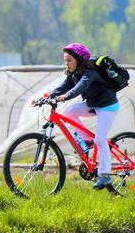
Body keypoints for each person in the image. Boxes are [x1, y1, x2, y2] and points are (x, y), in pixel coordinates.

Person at [45, 42, 119, 189]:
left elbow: (80, 87)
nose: (66, 64)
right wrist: (47, 96)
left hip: (107, 107)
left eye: (69, 60)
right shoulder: (74, 73)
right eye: (65, 61)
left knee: (100, 138)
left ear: (78, 60)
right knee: (69, 111)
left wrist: (66, 96)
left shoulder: (89, 73)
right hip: (94, 105)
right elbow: (63, 86)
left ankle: (104, 175)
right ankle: (87, 141)